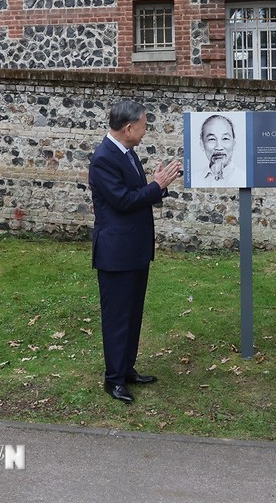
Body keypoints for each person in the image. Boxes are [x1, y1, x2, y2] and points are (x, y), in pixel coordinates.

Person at [89, 99, 183, 404]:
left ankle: (127, 368)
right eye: (142, 127)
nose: (144, 133)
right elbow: (123, 201)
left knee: (133, 314)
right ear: (128, 127)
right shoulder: (104, 157)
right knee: (117, 316)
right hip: (116, 253)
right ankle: (113, 379)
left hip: (135, 249)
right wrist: (156, 185)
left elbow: (137, 196)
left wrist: (158, 185)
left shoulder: (127, 153)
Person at [198, 114, 246, 187]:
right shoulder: (194, 179)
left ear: (234, 143)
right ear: (202, 144)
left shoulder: (244, 179)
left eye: (225, 138)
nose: (219, 147)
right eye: (212, 139)